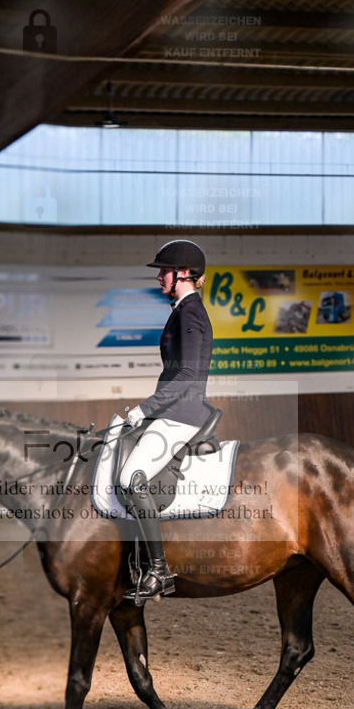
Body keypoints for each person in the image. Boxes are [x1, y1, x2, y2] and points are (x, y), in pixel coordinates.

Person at [119, 239, 213, 603]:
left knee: (131, 479)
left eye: (164, 271)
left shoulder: (190, 313)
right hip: (172, 411)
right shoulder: (183, 309)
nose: (159, 277)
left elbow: (187, 375)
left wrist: (145, 409)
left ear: (184, 274)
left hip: (180, 414)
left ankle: (158, 571)